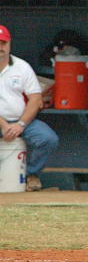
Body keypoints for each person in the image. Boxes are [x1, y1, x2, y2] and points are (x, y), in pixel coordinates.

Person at [0, 25, 59, 191]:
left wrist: (20, 124)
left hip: (21, 121)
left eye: (3, 43)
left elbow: (35, 98)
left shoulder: (22, 66)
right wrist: (4, 125)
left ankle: (30, 174)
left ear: (9, 44)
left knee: (48, 138)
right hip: (2, 122)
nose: (0, 47)